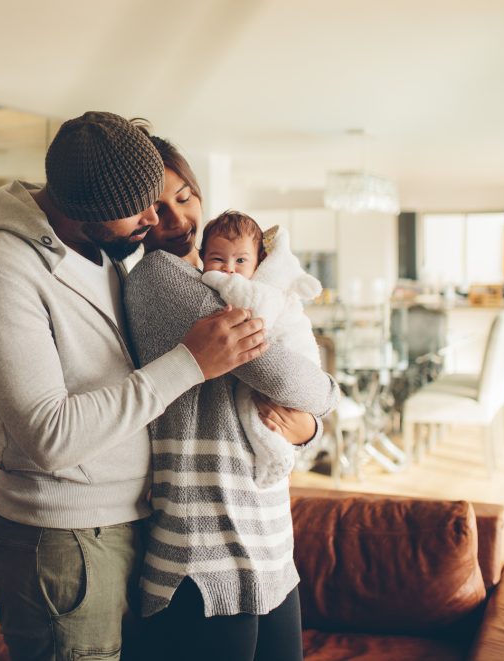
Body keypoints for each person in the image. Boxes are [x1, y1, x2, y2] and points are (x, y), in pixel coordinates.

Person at [0, 111, 270, 661]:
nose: (157, 217)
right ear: (86, 210)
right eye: (141, 206)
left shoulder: (102, 254)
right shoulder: (0, 270)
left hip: (131, 524)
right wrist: (190, 362)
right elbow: (51, 437)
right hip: (61, 539)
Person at [124, 132, 340, 661]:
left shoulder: (212, 278)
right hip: (202, 553)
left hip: (265, 539)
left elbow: (291, 400)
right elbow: (297, 384)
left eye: (184, 196)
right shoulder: (161, 282)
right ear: (132, 213)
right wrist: (325, 401)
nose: (175, 216)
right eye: (155, 203)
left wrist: (308, 427)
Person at [199, 211, 325, 487]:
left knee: (255, 405)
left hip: (295, 356)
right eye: (218, 259)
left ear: (257, 264)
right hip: (288, 370)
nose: (229, 269)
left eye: (240, 260)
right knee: (260, 410)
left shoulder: (260, 291)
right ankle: (276, 453)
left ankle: (276, 454)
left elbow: (254, 318)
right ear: (202, 258)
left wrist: (214, 278)